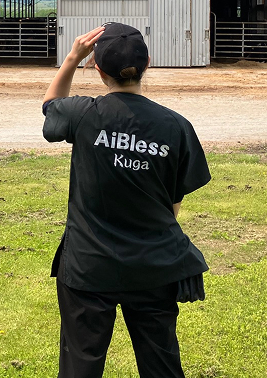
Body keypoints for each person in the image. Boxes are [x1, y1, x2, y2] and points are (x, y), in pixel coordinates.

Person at [41, 23, 210, 378]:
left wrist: (72, 58)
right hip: (155, 266)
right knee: (161, 364)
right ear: (148, 61)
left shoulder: (83, 113)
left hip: (89, 267)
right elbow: (173, 205)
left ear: (97, 69)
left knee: (80, 367)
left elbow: (50, 107)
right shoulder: (176, 126)